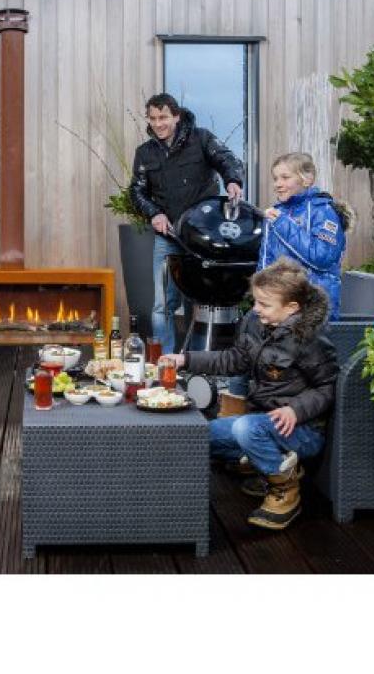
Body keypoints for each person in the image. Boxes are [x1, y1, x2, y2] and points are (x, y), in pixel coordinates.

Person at [164, 258, 339, 530]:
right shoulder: (255, 323)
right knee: (199, 435)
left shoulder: (309, 338)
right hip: (260, 421)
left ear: (292, 308)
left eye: (264, 304)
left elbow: (327, 386)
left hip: (302, 431)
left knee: (245, 428)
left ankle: (285, 489)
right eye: (256, 301)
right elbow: (233, 360)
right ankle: (263, 463)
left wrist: (295, 410)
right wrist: (185, 359)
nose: (256, 309)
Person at [129, 93, 245, 353]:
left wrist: (233, 180)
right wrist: (154, 214)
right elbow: (136, 192)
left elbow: (228, 160)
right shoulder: (144, 153)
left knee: (203, 301)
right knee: (162, 305)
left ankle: (199, 362)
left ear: (176, 116)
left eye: (163, 117)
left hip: (204, 238)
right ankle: (165, 361)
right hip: (168, 237)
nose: (158, 124)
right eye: (152, 118)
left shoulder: (202, 138)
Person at [259, 152, 354, 320]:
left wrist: (283, 224)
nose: (278, 184)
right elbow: (266, 261)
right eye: (275, 178)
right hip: (280, 304)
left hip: (313, 306)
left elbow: (322, 258)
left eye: (285, 177)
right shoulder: (277, 213)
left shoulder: (324, 211)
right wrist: (262, 295)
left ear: (307, 179)